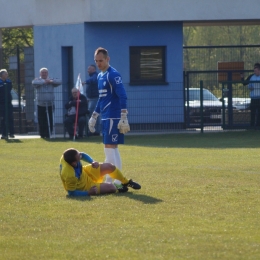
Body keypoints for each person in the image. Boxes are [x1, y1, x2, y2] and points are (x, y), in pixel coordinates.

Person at [88, 47, 130, 186]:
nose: (98, 63)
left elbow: (122, 95)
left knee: (109, 147)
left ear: (107, 59)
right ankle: (111, 179)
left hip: (113, 115)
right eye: (96, 61)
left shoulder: (113, 74)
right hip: (105, 116)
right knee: (111, 148)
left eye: (101, 60)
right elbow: (101, 99)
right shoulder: (100, 76)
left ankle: (115, 180)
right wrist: (94, 116)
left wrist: (123, 115)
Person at [59, 148, 141, 196]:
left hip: (85, 172)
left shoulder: (67, 155)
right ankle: (119, 188)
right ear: (74, 163)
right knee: (111, 187)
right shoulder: (69, 175)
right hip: (84, 186)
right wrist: (88, 193)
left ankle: (126, 182)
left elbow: (82, 155)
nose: (80, 157)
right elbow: (71, 193)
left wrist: (92, 161)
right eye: (78, 158)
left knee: (110, 166)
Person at [32, 68, 61, 138]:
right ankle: (42, 134)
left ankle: (49, 133)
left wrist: (50, 81)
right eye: (42, 73)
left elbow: (59, 81)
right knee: (41, 119)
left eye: (45, 72)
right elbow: (33, 83)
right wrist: (43, 82)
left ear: (47, 73)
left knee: (50, 119)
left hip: (50, 104)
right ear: (40, 74)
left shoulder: (51, 80)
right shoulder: (38, 80)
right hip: (40, 104)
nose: (44, 74)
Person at [83, 64, 100, 136]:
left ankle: (95, 131)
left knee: (93, 114)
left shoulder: (96, 76)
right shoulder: (92, 76)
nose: (88, 70)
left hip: (95, 98)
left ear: (94, 70)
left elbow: (93, 80)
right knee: (93, 114)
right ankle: (93, 130)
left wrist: (85, 82)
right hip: (91, 98)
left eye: (89, 69)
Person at [0, 69, 15, 139]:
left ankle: (11, 133)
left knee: (10, 117)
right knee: (3, 118)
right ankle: (4, 134)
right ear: (2, 75)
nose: (7, 75)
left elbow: (9, 88)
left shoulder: (9, 81)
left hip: (8, 103)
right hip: (1, 103)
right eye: (5, 74)